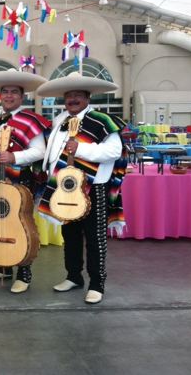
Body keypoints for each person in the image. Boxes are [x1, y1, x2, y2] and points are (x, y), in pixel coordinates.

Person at [36, 72, 127, 305]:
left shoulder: (103, 121)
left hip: (93, 188)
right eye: (68, 95)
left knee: (95, 238)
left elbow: (113, 152)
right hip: (65, 187)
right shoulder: (59, 121)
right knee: (70, 234)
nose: (72, 99)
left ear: (88, 98)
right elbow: (54, 151)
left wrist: (81, 149)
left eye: (77, 95)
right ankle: (74, 276)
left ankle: (97, 284)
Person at [0, 69, 51, 293]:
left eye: (14, 92)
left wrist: (14, 157)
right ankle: (3, 267)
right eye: (5, 92)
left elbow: (40, 151)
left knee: (20, 223)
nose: (9, 96)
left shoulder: (30, 120)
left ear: (22, 96)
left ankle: (24, 274)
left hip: (19, 178)